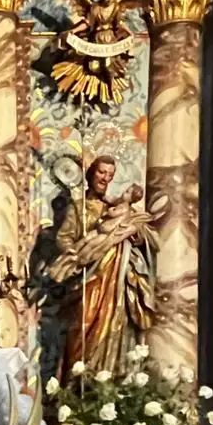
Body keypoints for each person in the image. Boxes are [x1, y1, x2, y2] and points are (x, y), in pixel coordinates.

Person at [49, 155, 158, 379]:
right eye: (101, 173)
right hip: (88, 277)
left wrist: (135, 236)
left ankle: (108, 378)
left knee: (114, 328)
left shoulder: (116, 207)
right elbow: (63, 238)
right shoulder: (78, 208)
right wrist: (77, 252)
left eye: (110, 175)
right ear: (91, 174)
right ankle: (75, 383)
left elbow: (145, 238)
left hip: (115, 279)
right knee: (83, 326)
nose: (105, 178)